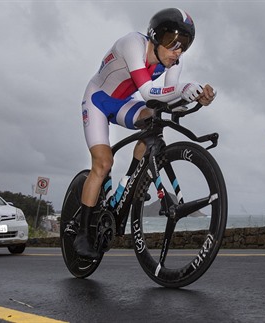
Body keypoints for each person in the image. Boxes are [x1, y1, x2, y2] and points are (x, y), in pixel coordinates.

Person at [68, 8, 216, 259]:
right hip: (97, 101)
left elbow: (170, 99)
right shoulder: (132, 44)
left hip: (125, 101)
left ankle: (131, 183)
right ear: (155, 36)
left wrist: (197, 97)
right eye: (172, 42)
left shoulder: (174, 62)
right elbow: (149, 93)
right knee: (103, 163)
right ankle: (81, 233)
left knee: (154, 120)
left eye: (184, 45)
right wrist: (184, 89)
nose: (177, 51)